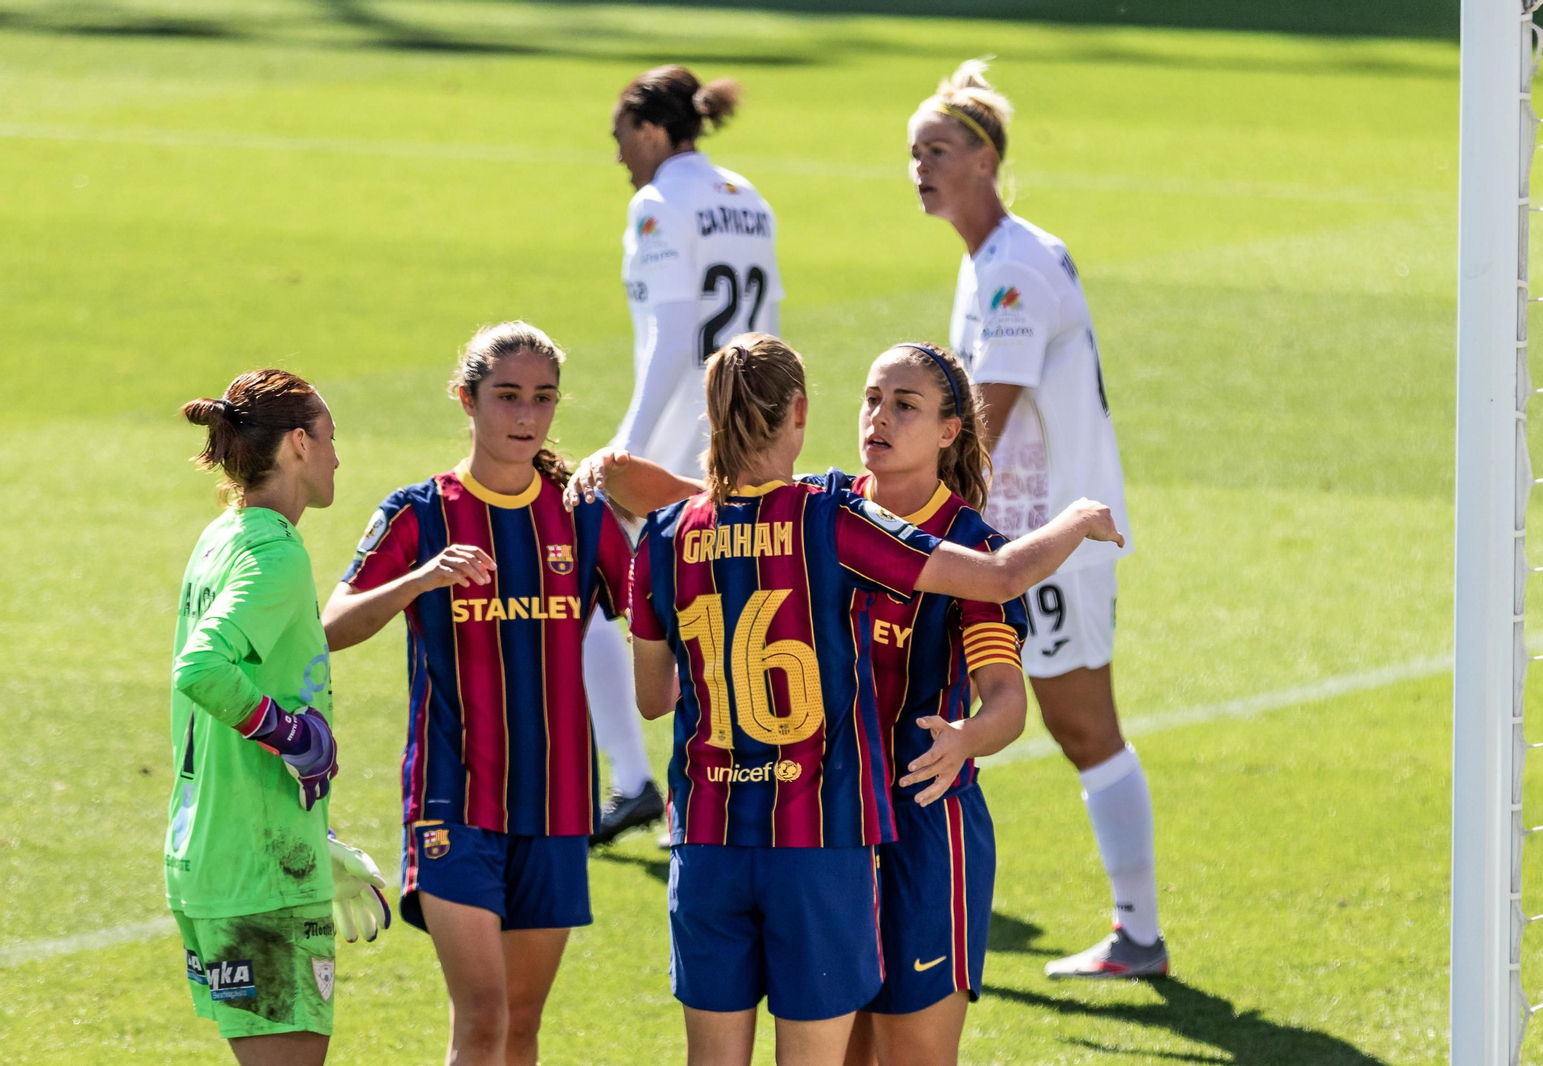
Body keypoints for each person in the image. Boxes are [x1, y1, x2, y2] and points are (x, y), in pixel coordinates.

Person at [621, 334, 1120, 1066]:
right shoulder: (827, 509)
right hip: (823, 823)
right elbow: (737, 511)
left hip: (920, 824)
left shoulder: (965, 541)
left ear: (950, 431)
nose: (878, 418)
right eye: (871, 399)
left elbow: (1008, 698)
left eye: (904, 406)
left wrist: (967, 739)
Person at [908, 58, 1166, 978]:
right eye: (912, 154)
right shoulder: (996, 260)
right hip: (1024, 536)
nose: (920, 168)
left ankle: (1139, 933)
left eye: (936, 150)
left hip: (1051, 539)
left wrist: (921, 516)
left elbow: (988, 413)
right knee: (1043, 720)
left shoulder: (1013, 265)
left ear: (984, 157)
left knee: (1084, 726)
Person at [321, 322, 633, 1066]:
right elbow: (329, 626)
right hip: (453, 800)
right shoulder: (418, 514)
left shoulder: (581, 512)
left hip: (556, 806)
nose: (525, 417)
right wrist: (419, 579)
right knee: (484, 1016)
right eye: (507, 397)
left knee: (522, 1026)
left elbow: (660, 609)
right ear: (467, 400)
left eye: (542, 399)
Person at [582, 63, 787, 847]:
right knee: (737, 609)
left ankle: (640, 783)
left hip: (679, 431)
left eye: (621, 137)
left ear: (652, 129)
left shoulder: (659, 203)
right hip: (749, 428)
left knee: (612, 599)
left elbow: (673, 335)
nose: (619, 157)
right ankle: (732, 788)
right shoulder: (748, 198)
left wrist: (627, 444)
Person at [168, 369, 388, 1066]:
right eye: (330, 438)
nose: (337, 456)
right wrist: (291, 735)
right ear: (297, 443)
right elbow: (203, 669)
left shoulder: (222, 538)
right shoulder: (275, 551)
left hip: (224, 854)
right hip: (257, 876)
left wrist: (306, 831)